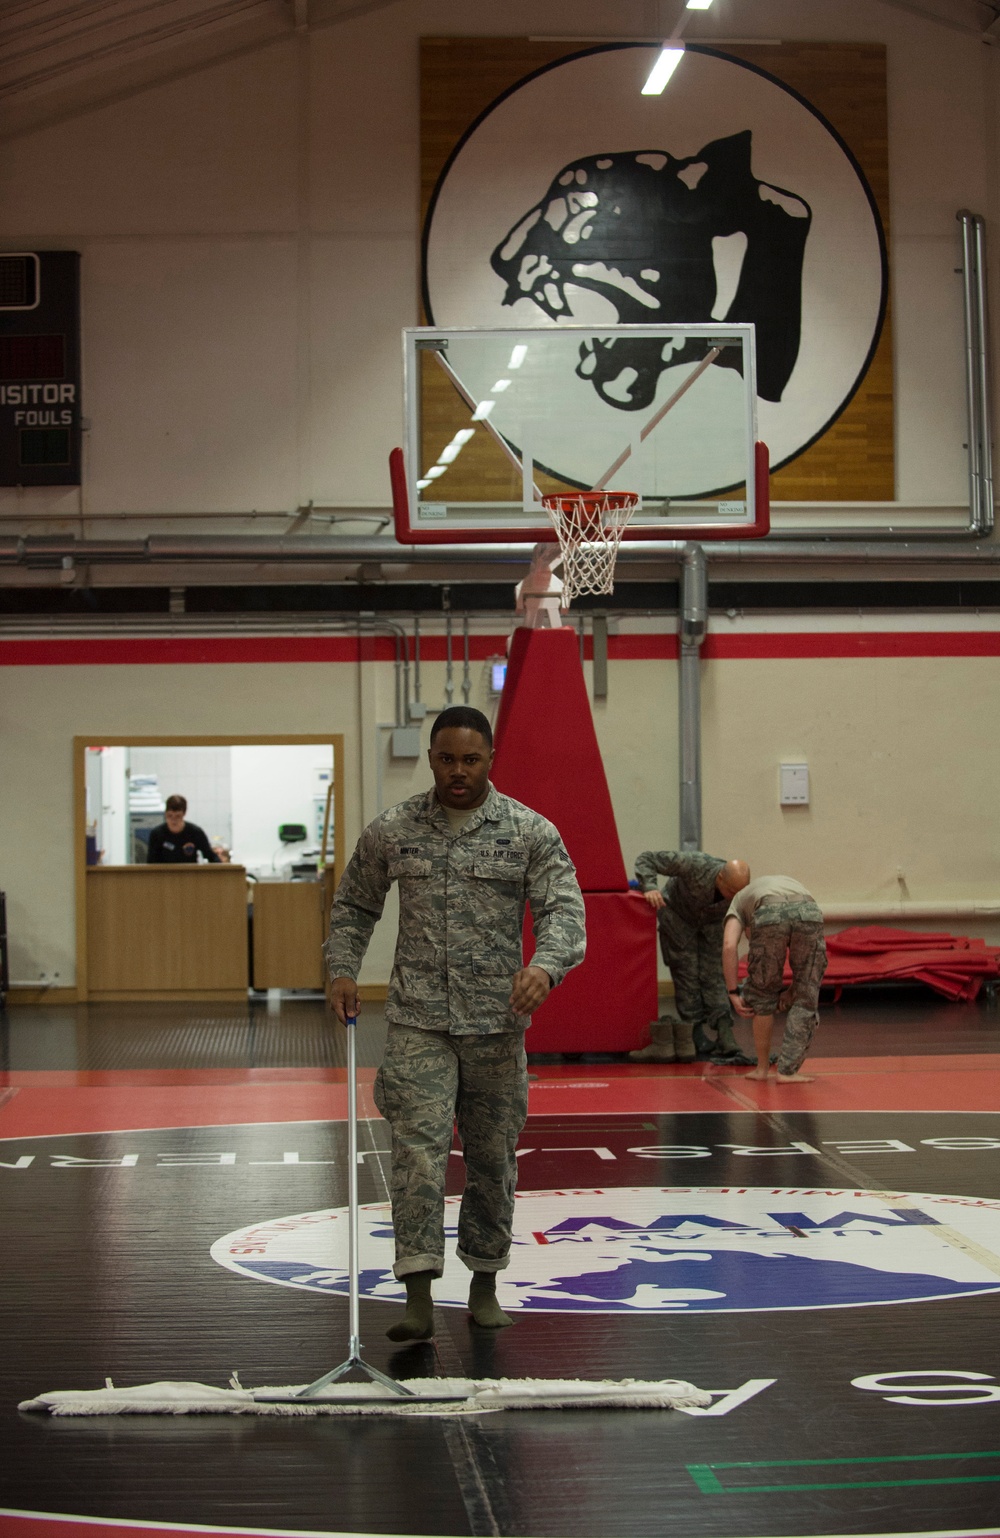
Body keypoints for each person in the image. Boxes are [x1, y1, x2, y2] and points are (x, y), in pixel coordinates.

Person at [325, 705, 586, 1341]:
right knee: (417, 1155)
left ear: (489, 759)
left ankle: (485, 1282)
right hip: (418, 1021)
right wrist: (341, 968)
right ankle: (417, 1292)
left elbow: (566, 914)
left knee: (493, 1159)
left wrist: (545, 968)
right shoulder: (395, 830)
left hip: (497, 1024)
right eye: (447, 759)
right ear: (432, 758)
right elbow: (355, 904)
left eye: (471, 759)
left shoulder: (528, 831)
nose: (458, 771)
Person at [631, 850, 751, 1062]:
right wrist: (649, 887)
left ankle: (725, 1032)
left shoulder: (740, 892)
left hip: (711, 926)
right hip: (678, 919)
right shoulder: (695, 864)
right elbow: (646, 859)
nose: (734, 897)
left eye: (738, 893)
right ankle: (694, 1035)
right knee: (686, 975)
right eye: (731, 891)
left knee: (715, 976)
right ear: (720, 877)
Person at [722, 874, 827, 1084]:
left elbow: (729, 946)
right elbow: (806, 976)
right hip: (808, 909)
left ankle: (762, 1070)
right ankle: (787, 1072)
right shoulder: (779, 883)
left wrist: (733, 992)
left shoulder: (739, 901)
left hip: (769, 912)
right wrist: (794, 990)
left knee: (762, 993)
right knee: (806, 994)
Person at [146, 795, 222, 864]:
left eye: (177, 816)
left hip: (190, 875)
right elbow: (151, 862)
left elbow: (210, 856)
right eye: (170, 816)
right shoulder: (157, 834)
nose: (173, 820)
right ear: (165, 814)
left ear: (184, 814)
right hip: (164, 876)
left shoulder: (195, 832)